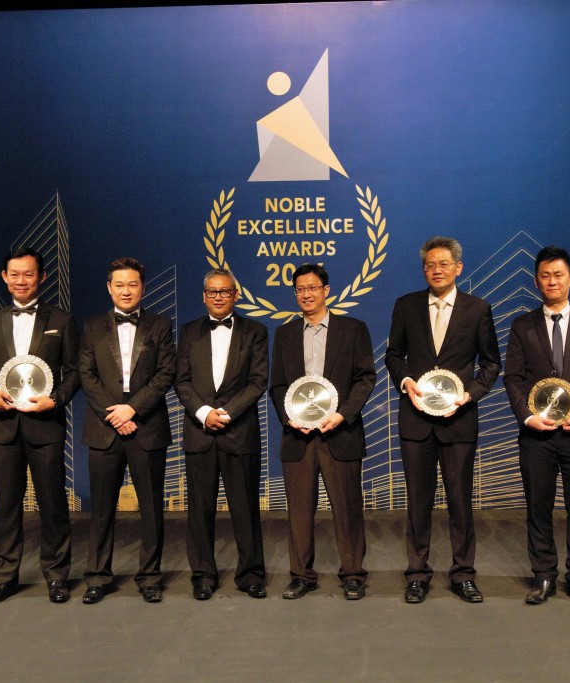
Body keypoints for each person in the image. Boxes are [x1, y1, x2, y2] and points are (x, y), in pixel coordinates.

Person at [384, 236, 501, 604]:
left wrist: (471, 394)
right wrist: (405, 381)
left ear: (458, 268)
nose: (437, 270)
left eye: (444, 264)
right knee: (417, 502)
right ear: (424, 270)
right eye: (430, 265)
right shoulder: (406, 306)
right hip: (415, 420)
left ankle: (463, 574)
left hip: (458, 421)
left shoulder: (478, 309)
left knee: (460, 501)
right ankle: (417, 574)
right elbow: (393, 355)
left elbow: (492, 364)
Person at [504, 246, 570, 606]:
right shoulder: (522, 325)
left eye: (559, 275)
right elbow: (513, 378)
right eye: (545, 275)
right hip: (536, 434)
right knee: (538, 506)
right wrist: (527, 416)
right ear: (536, 281)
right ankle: (544, 574)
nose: (552, 281)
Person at [0, 248, 80, 605]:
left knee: (53, 504)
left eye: (29, 274)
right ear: (4, 278)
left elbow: (74, 372)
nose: (21, 281)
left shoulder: (62, 320)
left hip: (46, 426)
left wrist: (57, 399)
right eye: (15, 274)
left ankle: (57, 576)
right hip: (5, 427)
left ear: (42, 277)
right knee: (6, 506)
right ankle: (4, 578)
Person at [269, 264, 375, 600]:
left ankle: (353, 574)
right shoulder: (284, 334)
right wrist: (289, 417)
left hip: (340, 434)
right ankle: (301, 575)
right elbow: (278, 385)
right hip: (298, 437)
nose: (306, 294)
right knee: (299, 512)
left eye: (312, 288)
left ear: (326, 290)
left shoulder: (353, 329)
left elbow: (365, 378)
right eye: (300, 289)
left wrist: (343, 414)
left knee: (347, 508)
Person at [79, 257, 174, 604]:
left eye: (132, 284)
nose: (126, 291)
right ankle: (97, 576)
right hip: (104, 429)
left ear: (143, 288)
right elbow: (86, 375)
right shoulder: (92, 326)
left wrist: (132, 409)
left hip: (146, 427)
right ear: (109, 288)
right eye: (119, 285)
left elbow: (166, 373)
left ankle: (149, 577)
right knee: (102, 510)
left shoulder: (161, 325)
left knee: (151, 508)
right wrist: (115, 414)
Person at [174, 268, 269, 600]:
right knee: (199, 510)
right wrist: (204, 413)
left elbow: (258, 381)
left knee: (245, 508)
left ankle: (251, 574)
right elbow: (181, 381)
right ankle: (203, 575)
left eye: (224, 291)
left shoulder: (256, 331)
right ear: (204, 296)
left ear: (235, 295)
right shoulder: (188, 332)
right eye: (212, 292)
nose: (218, 297)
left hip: (239, 431)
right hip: (199, 432)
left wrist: (226, 413)